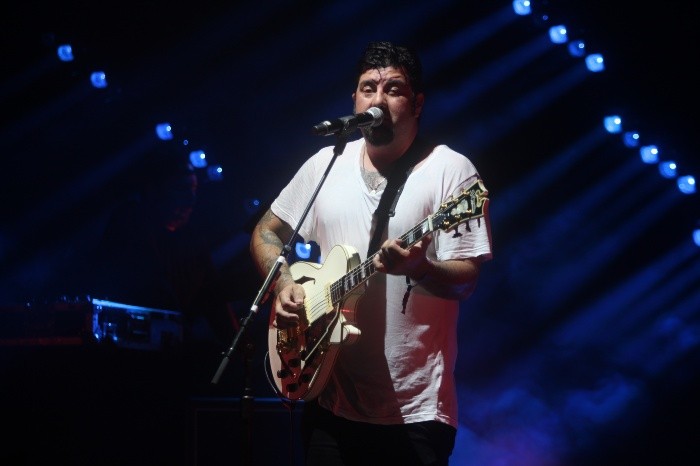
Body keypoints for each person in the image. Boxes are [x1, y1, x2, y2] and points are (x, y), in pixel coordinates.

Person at [249, 41, 493, 465]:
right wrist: (283, 283)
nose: (377, 100)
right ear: (354, 99)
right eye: (368, 88)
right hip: (328, 397)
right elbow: (266, 231)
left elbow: (466, 281)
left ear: (417, 104)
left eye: (393, 89)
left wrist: (419, 267)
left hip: (415, 414)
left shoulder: (451, 171)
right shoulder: (326, 164)